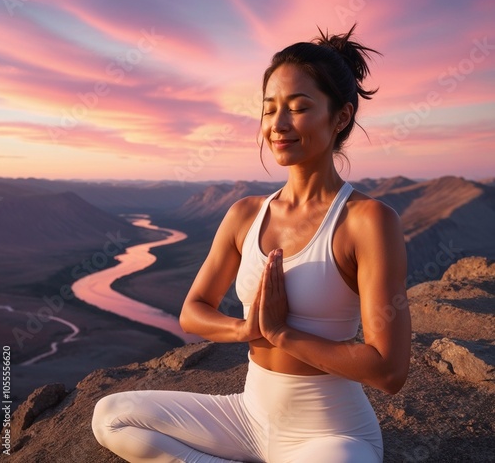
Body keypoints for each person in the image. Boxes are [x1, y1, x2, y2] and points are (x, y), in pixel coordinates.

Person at [92, 24, 411, 462]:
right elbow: (194, 311)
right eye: (269, 109)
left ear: (341, 117)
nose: (278, 125)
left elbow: (389, 370)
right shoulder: (245, 213)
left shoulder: (368, 221)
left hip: (329, 435)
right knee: (110, 415)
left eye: (298, 108)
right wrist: (246, 329)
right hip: (245, 417)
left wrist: (281, 333)